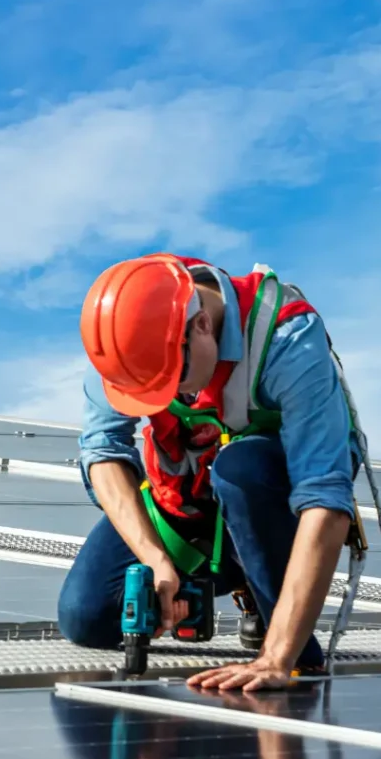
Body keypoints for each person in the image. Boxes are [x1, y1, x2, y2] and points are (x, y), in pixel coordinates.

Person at [58, 253, 360, 691]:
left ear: (200, 325)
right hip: (187, 493)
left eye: (173, 379)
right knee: (87, 616)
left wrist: (278, 658)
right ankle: (229, 574)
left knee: (241, 467)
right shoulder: (125, 338)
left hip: (271, 493)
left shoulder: (286, 339)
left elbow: (323, 497)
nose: (174, 396)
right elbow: (103, 451)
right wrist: (156, 560)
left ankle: (275, 610)